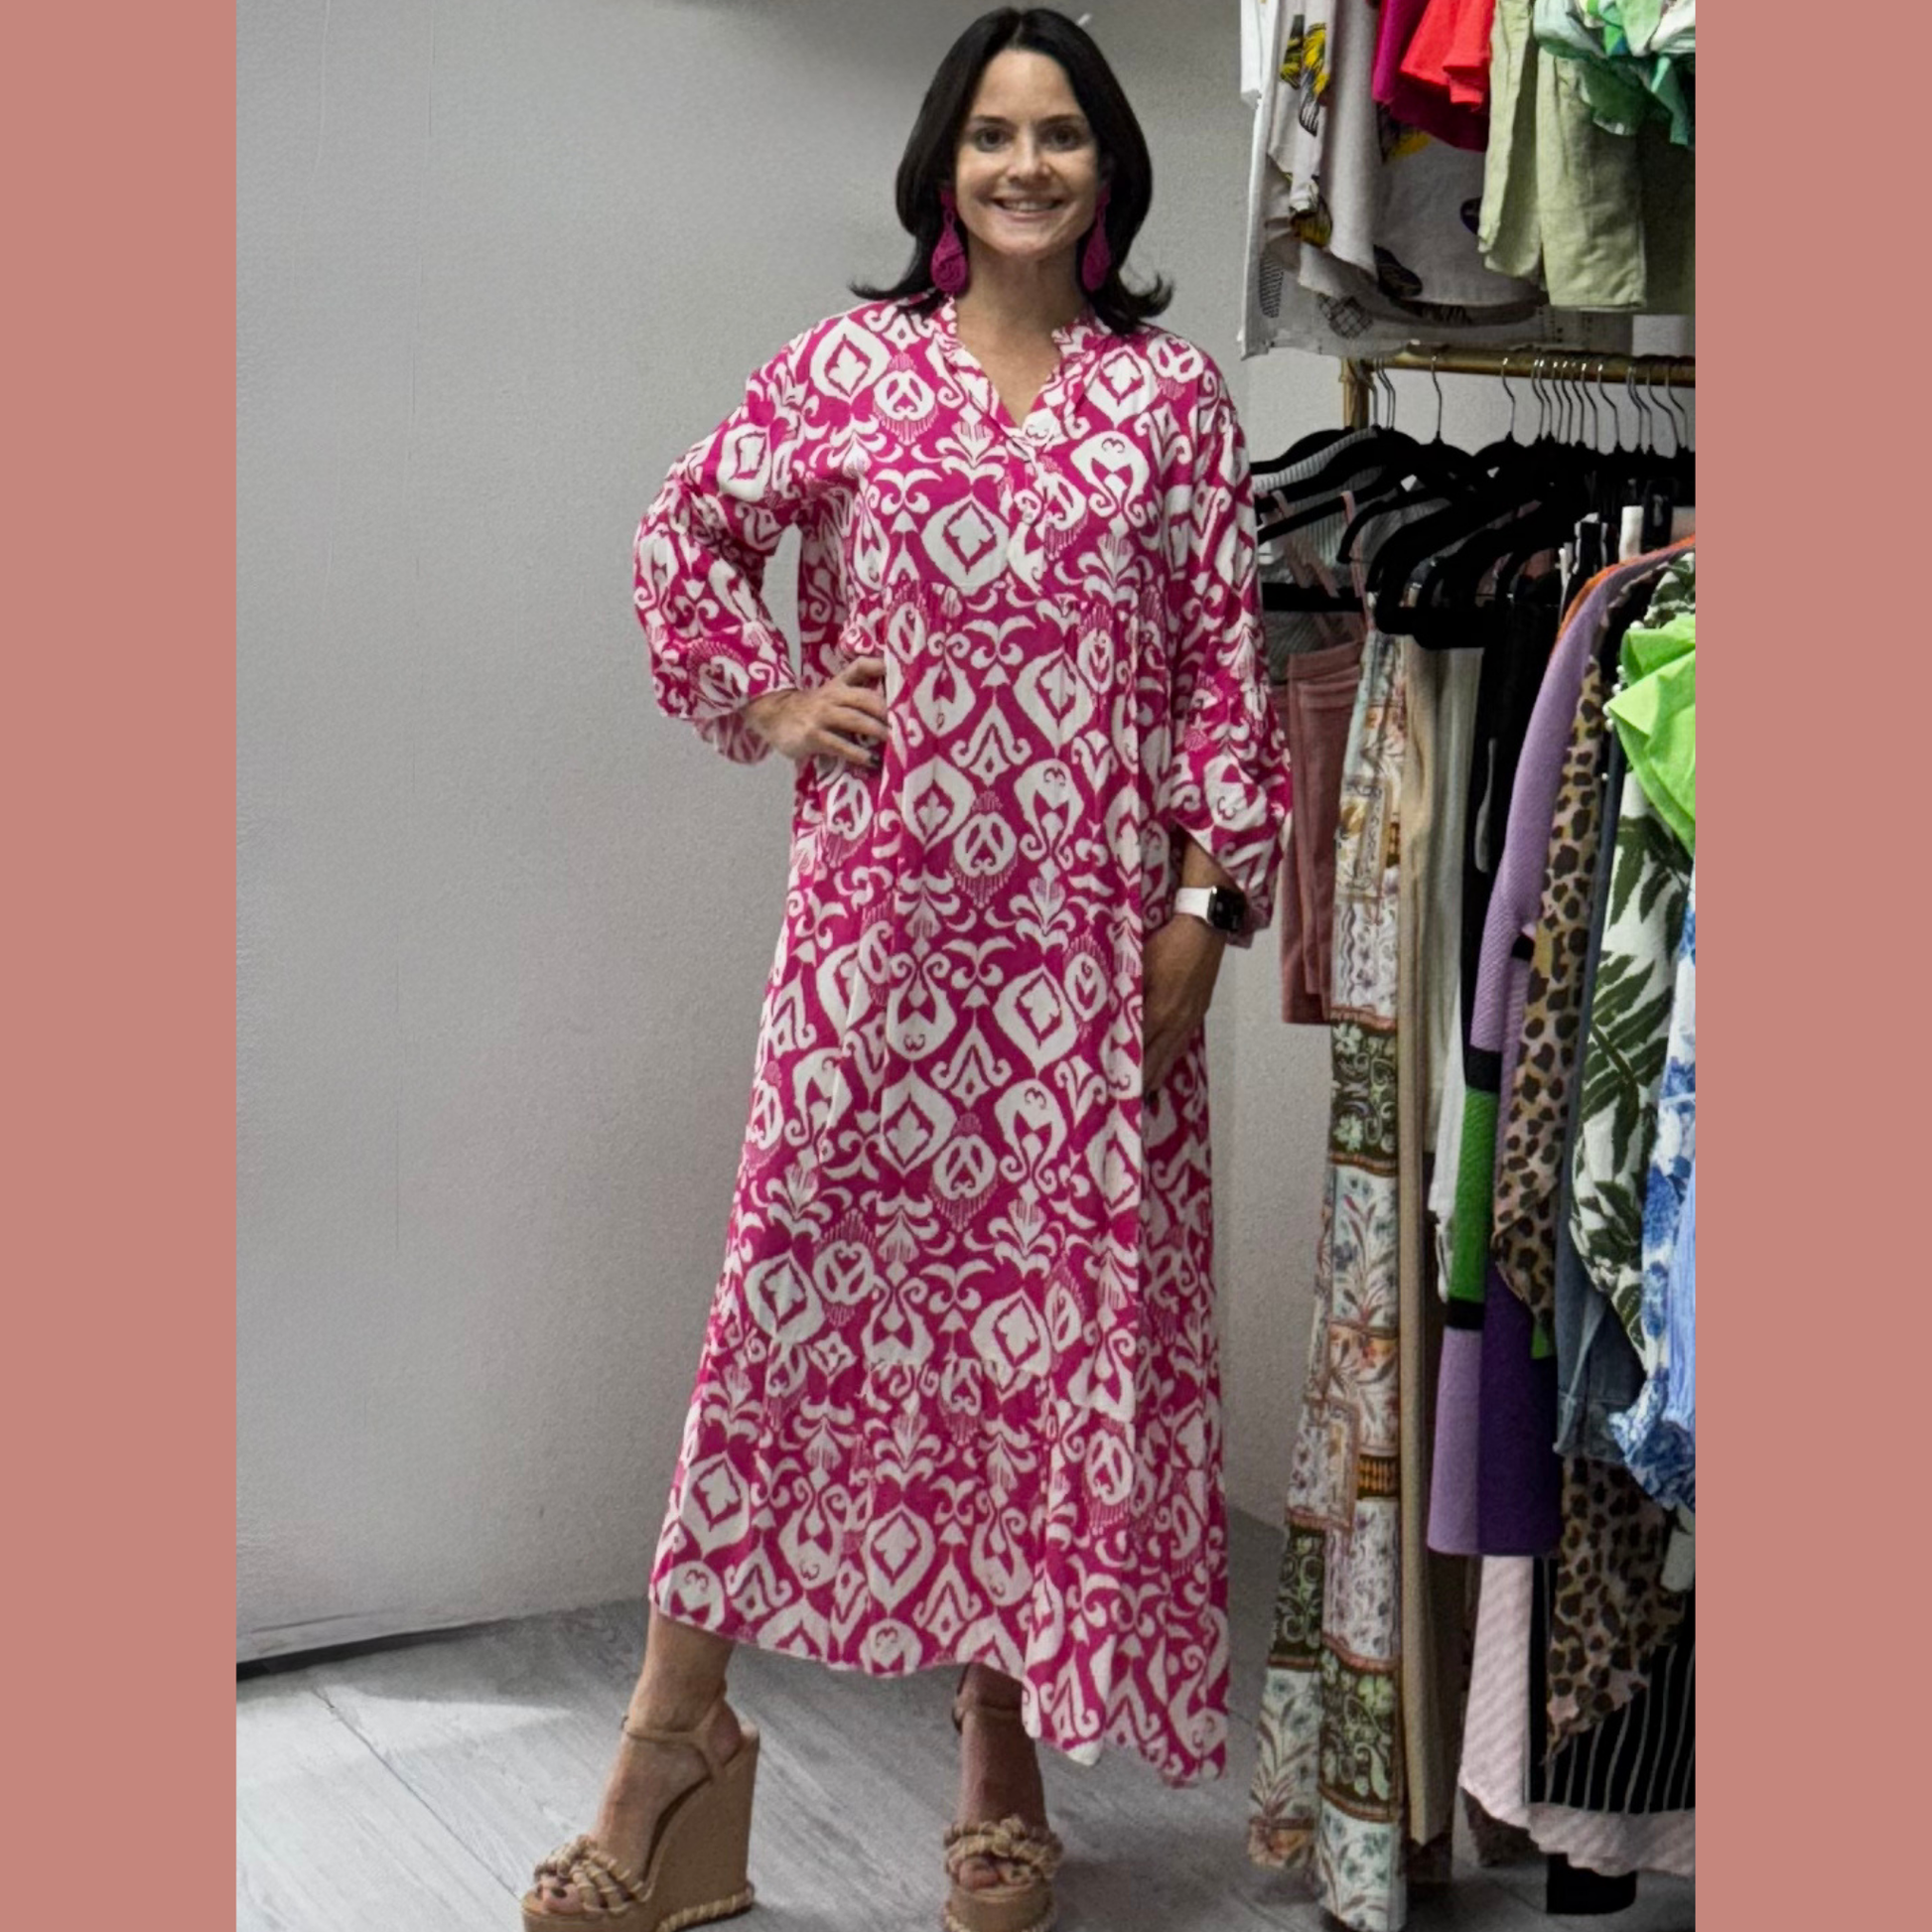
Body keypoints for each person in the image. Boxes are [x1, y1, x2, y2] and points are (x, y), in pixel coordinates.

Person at [522, 11, 1293, 1931]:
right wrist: (769, 695)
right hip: (878, 949)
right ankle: (668, 1747)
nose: (1023, 165)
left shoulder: (1171, 403)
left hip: (1092, 967)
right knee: (790, 1327)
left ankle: (998, 1750)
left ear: (1109, 169)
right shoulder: (848, 369)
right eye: (989, 135)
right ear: (939, 170)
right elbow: (679, 534)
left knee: (1039, 1345)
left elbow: (1223, 665)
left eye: (1057, 137)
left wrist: (1205, 903)